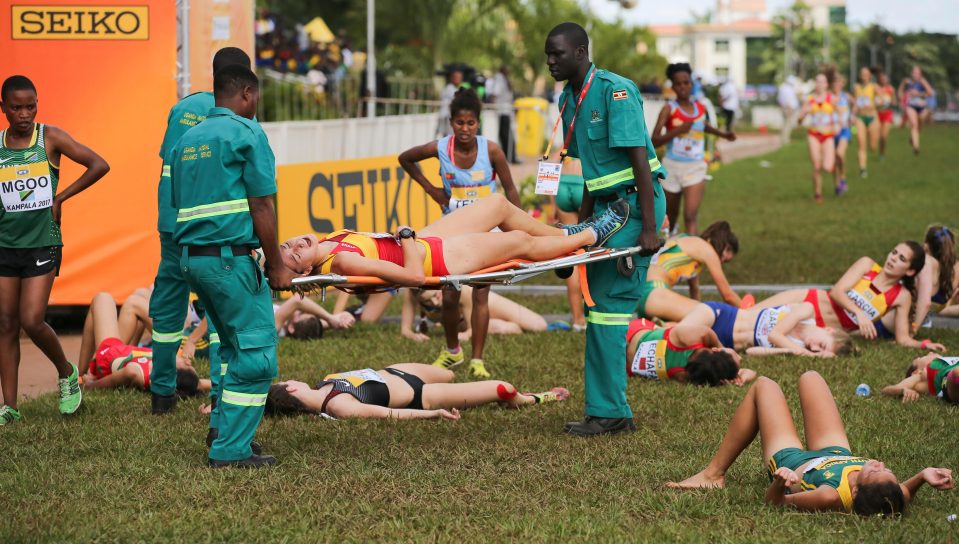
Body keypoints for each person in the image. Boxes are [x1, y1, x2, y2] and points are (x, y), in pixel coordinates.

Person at [545, 22, 666, 437]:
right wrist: (578, 232)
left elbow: (640, 163)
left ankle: (612, 412)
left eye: (558, 54)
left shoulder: (616, 90)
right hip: (602, 210)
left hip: (633, 205)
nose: (550, 61)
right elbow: (586, 174)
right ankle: (606, 410)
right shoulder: (568, 98)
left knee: (612, 309)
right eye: (548, 54)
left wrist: (649, 228)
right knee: (598, 307)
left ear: (580, 52)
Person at [169, 65, 293, 468]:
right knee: (256, 356)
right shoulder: (247, 132)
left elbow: (177, 201)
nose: (255, 106)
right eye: (255, 98)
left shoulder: (187, 139)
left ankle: (225, 431)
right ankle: (230, 450)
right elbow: (262, 203)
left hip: (191, 260)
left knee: (231, 347)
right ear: (245, 93)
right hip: (229, 261)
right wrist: (276, 265)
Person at [667, 371, 954, 516]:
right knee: (811, 377)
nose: (878, 463)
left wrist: (780, 482)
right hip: (835, 452)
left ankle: (713, 475)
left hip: (792, 460)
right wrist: (922, 476)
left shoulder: (829, 496)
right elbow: (902, 495)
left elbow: (775, 503)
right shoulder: (887, 491)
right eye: (885, 468)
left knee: (764, 386)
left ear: (854, 491)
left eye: (873, 471)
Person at [0, 75, 109, 425]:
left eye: (30, 105)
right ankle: (10, 407)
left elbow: (99, 164)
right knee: (5, 323)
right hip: (5, 245)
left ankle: (66, 373)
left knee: (31, 319)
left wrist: (61, 196)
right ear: (3, 108)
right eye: (16, 107)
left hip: (43, 242)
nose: (24, 113)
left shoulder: (50, 138)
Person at [149, 47, 250, 417]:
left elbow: (169, 165)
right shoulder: (236, 119)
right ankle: (221, 397)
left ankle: (162, 394)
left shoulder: (182, 109)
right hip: (211, 231)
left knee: (168, 310)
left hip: (171, 224)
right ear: (244, 84)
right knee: (222, 313)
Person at [398, 88, 521, 378]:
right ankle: (453, 351)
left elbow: (511, 189)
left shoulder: (491, 150)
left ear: (478, 124)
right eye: (459, 123)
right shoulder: (441, 148)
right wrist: (431, 189)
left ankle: (478, 361)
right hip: (452, 232)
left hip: (486, 235)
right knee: (450, 297)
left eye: (471, 123)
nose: (465, 129)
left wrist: (519, 223)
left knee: (480, 295)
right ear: (451, 122)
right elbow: (405, 158)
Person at [281, 193, 628, 284]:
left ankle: (563, 236)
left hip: (426, 240)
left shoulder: (332, 240)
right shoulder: (341, 262)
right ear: (306, 272)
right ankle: (590, 234)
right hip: (438, 258)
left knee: (498, 206)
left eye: (288, 244)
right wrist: (404, 235)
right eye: (295, 257)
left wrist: (408, 238)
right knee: (520, 241)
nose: (296, 246)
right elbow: (415, 278)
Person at [754, 242, 946, 351]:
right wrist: (859, 313)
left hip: (819, 327)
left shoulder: (901, 296)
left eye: (902, 259)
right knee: (749, 314)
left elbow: (902, 338)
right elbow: (837, 292)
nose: (893, 258)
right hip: (807, 301)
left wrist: (925, 344)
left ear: (910, 271)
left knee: (757, 336)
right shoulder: (867, 265)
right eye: (894, 252)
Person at [265, 363, 569, 419]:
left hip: (400, 370)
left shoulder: (323, 386)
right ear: (291, 388)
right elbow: (390, 414)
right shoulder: (338, 406)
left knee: (450, 371)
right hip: (421, 397)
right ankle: (527, 400)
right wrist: (433, 414)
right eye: (288, 380)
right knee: (505, 389)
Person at [652, 63, 735, 236]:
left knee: (690, 215)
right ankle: (668, 253)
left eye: (686, 82)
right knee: (670, 218)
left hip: (695, 167)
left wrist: (724, 134)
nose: (683, 87)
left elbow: (703, 126)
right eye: (678, 83)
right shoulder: (668, 109)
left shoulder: (700, 107)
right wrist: (677, 131)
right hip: (672, 168)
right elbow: (654, 140)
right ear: (673, 86)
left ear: (691, 84)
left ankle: (692, 259)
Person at [78, 292, 209, 398]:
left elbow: (131, 372)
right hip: (126, 352)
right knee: (138, 296)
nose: (188, 362)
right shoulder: (184, 381)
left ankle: (78, 377)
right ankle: (80, 375)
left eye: (186, 365)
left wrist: (92, 385)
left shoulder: (144, 375)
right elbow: (202, 383)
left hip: (110, 354)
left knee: (102, 298)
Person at [636, 221, 743, 323]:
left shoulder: (689, 243)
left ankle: (663, 326)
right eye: (726, 254)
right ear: (723, 243)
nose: (722, 260)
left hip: (643, 293)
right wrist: (748, 314)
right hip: (655, 292)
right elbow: (728, 295)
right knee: (709, 313)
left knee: (694, 320)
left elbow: (694, 289)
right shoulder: (707, 249)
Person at [678, 300, 850, 357]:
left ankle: (657, 325)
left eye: (816, 351)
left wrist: (787, 351)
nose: (813, 348)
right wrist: (806, 354)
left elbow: (751, 351)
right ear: (829, 330)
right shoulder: (807, 311)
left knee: (680, 348)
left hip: (722, 341)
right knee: (676, 336)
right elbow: (775, 335)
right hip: (720, 315)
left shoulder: (795, 347)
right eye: (822, 345)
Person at [625, 319, 754, 386]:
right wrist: (739, 376)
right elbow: (752, 373)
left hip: (632, 333)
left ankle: (659, 324)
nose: (740, 357)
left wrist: (720, 346)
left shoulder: (695, 336)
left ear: (716, 350)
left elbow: (706, 332)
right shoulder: (687, 376)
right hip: (627, 368)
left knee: (669, 327)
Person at [401, 286, 546, 341]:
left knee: (539, 326)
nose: (434, 303)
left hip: (487, 304)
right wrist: (414, 335)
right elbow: (405, 330)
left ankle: (495, 325)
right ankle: (497, 326)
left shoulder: (458, 290)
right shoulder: (411, 291)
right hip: (465, 320)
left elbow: (472, 330)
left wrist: (462, 335)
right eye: (427, 302)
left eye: (435, 296)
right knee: (503, 328)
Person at [548, 154, 587, 331]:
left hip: (562, 185)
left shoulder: (567, 139)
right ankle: (593, 314)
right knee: (593, 248)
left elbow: (551, 163)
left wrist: (552, 205)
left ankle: (578, 320)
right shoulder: (592, 130)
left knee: (572, 252)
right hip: (583, 183)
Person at [797, 72, 837, 203]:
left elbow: (840, 116)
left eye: (822, 82)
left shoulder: (832, 99)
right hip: (813, 134)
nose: (820, 84)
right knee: (816, 165)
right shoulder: (809, 100)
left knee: (827, 166)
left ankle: (835, 171)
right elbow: (799, 120)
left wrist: (838, 125)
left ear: (826, 84)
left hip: (828, 135)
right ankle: (818, 193)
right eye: (818, 81)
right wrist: (804, 114)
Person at [914, 225, 958, 329]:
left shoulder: (926, 263)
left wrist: (913, 329)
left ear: (925, 246)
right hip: (937, 309)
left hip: (918, 313)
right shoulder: (956, 268)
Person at [882, 352, 959, 404]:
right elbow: (886, 390)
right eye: (921, 357)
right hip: (948, 382)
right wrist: (903, 390)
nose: (930, 353)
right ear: (917, 371)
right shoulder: (920, 376)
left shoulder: (949, 362)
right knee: (956, 372)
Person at [273, 294, 355, 340]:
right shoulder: (299, 326)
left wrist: (329, 317)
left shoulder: (275, 326)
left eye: (301, 313)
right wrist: (341, 319)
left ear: (291, 328)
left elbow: (298, 300)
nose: (303, 309)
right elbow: (323, 324)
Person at [899, 66, 934, 156]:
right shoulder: (908, 82)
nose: (915, 74)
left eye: (917, 73)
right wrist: (902, 84)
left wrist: (918, 94)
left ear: (920, 74)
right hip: (911, 106)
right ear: (911, 73)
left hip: (922, 107)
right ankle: (916, 147)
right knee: (914, 125)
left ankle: (913, 139)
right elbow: (900, 93)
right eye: (914, 72)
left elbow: (930, 93)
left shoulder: (922, 81)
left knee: (919, 125)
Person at [852, 66, 879, 179]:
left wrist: (874, 104)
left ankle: (871, 145)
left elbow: (883, 99)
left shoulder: (874, 87)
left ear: (869, 75)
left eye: (866, 73)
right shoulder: (856, 87)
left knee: (872, 146)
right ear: (860, 75)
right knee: (861, 144)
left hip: (872, 117)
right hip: (860, 117)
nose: (864, 75)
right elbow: (855, 102)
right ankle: (863, 169)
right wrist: (852, 114)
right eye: (862, 73)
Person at [488, 65, 517, 163]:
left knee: (505, 135)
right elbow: (495, 93)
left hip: (504, 111)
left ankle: (510, 157)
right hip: (502, 110)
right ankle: (509, 157)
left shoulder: (502, 79)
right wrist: (492, 105)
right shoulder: (500, 79)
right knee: (505, 135)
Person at [831, 74, 852, 196]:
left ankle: (843, 178)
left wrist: (853, 117)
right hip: (831, 131)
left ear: (843, 84)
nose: (837, 85)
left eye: (839, 82)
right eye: (834, 82)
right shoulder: (829, 97)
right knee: (833, 161)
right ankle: (837, 185)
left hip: (844, 130)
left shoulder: (846, 96)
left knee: (840, 154)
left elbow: (856, 105)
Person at [875, 69, 897, 161]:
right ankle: (878, 150)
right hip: (876, 114)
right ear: (879, 79)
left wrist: (889, 101)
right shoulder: (875, 88)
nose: (883, 79)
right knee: (878, 136)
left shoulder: (890, 89)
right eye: (882, 78)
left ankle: (882, 154)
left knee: (884, 136)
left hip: (887, 113)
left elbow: (894, 103)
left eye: (885, 78)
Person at [436, 67, 463, 138]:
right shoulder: (449, 89)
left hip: (450, 116)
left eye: (460, 78)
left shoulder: (454, 88)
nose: (459, 79)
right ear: (452, 78)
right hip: (447, 116)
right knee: (448, 137)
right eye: (457, 77)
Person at [777, 75, 800, 144]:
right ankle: (785, 140)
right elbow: (787, 100)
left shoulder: (784, 87)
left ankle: (784, 139)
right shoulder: (786, 88)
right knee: (787, 124)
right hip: (789, 108)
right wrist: (789, 108)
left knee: (786, 124)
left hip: (787, 108)